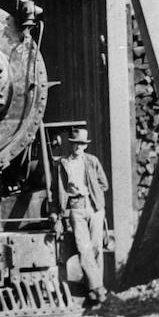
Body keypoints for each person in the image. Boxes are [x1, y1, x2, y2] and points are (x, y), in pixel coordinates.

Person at [52, 126, 109, 306]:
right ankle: (98, 288)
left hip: (94, 207)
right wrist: (58, 213)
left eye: (82, 144)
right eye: (76, 144)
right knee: (84, 249)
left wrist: (91, 192)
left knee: (96, 248)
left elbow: (104, 184)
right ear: (71, 144)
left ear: (85, 146)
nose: (79, 147)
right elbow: (56, 190)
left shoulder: (92, 161)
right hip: (76, 208)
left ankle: (92, 288)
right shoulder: (63, 163)